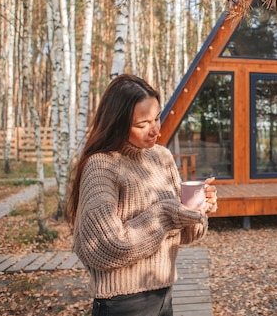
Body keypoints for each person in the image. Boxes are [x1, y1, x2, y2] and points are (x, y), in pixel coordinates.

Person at [66, 73, 217, 316]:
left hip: (164, 293)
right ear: (117, 123)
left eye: (157, 118)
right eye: (141, 124)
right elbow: (106, 247)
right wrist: (170, 213)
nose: (155, 129)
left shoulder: (162, 157)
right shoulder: (102, 167)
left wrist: (198, 211)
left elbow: (185, 235)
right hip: (123, 303)